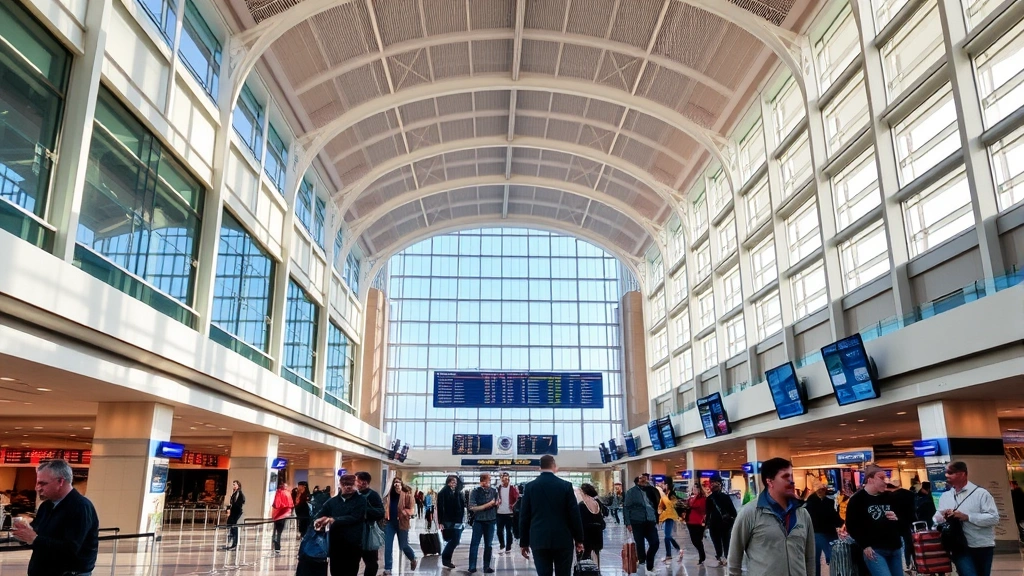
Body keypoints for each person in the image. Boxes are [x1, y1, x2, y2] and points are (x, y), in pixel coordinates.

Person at [727, 457, 815, 576]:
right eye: (785, 477)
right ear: (770, 481)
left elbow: (809, 558)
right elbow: (734, 562)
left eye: (791, 476)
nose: (792, 481)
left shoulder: (802, 513)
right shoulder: (750, 513)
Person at [11, 459, 99, 576]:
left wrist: (34, 538)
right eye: (37, 483)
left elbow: (70, 549)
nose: (38, 488)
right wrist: (24, 536)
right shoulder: (46, 506)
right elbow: (37, 535)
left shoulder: (80, 507)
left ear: (60, 482)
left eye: (43, 483)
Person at [519, 455, 584, 576]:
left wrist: (524, 543)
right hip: (563, 539)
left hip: (539, 539)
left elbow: (524, 517)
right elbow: (574, 515)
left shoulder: (530, 487)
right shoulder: (566, 486)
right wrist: (579, 540)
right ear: (553, 466)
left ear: (540, 467)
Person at [933, 461, 1000, 576]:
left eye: (950, 472)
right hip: (959, 546)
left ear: (962, 474)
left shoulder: (981, 494)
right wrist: (943, 517)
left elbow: (994, 518)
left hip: (982, 545)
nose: (946, 475)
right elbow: (936, 518)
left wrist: (967, 517)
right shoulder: (946, 496)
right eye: (946, 472)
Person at [845, 465, 904, 576]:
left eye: (885, 478)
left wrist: (897, 518)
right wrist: (865, 545)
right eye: (881, 478)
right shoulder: (857, 500)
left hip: (894, 547)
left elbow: (903, 521)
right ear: (870, 480)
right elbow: (852, 526)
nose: (885, 482)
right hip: (875, 550)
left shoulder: (890, 497)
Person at [314, 474, 369, 576]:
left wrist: (334, 519)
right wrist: (319, 520)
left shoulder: (361, 500)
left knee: (350, 571)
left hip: (353, 544)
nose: (348, 487)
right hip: (336, 544)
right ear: (340, 485)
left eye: (350, 484)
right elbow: (320, 513)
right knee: (335, 571)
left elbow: (355, 517)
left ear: (356, 484)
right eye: (345, 484)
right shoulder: (332, 501)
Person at [804, 482, 843, 576]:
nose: (822, 491)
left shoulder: (811, 502)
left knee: (816, 559)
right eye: (821, 489)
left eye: (823, 489)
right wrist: (840, 522)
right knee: (833, 557)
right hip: (822, 532)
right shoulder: (818, 502)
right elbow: (832, 516)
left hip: (817, 532)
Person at [623, 475, 660, 572]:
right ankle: (643, 564)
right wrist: (628, 523)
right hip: (637, 521)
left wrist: (656, 518)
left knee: (655, 542)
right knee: (640, 544)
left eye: (646, 480)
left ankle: (649, 562)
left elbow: (655, 505)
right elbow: (626, 507)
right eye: (641, 479)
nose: (644, 481)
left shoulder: (651, 491)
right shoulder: (631, 492)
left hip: (650, 520)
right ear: (637, 481)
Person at [382, 477, 417, 575]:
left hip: (402, 523)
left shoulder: (407, 494)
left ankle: (412, 558)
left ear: (402, 484)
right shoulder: (389, 495)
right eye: (395, 483)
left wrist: (405, 512)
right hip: (390, 523)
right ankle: (388, 568)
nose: (396, 484)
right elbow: (384, 506)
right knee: (388, 547)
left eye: (398, 482)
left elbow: (412, 509)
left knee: (403, 546)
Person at [467, 472, 499, 573]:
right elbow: (472, 507)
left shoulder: (494, 491)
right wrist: (488, 504)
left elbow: (497, 504)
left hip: (491, 520)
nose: (489, 481)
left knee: (488, 545)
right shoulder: (475, 491)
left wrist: (496, 504)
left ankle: (486, 566)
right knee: (475, 544)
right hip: (479, 521)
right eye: (488, 479)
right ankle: (472, 566)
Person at [356, 472, 386, 576]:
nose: (355, 483)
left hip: (368, 534)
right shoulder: (353, 495)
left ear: (364, 482)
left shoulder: (373, 495)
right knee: (352, 563)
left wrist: (365, 510)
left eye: (357, 481)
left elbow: (380, 513)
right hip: (353, 534)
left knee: (371, 562)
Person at [884, 477, 917, 570]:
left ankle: (904, 564)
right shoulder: (909, 494)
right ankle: (911, 563)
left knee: (897, 545)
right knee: (909, 543)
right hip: (907, 523)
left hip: (893, 523)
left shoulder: (887, 496)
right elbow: (913, 510)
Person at [707, 474, 737, 566]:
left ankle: (725, 558)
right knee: (719, 543)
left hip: (724, 525)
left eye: (715, 482)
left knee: (725, 543)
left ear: (719, 484)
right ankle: (721, 558)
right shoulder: (709, 499)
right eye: (711, 482)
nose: (713, 485)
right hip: (715, 525)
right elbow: (707, 513)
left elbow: (733, 512)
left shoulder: (725, 497)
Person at [437, 474, 466, 570]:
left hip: (457, 519)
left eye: (455, 482)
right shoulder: (443, 492)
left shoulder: (457, 492)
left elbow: (462, 505)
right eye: (453, 482)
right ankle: (446, 559)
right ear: (449, 482)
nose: (455, 484)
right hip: (448, 519)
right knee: (453, 540)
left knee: (455, 539)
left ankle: (446, 559)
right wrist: (440, 521)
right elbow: (440, 507)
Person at [578, 483, 606, 566]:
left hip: (587, 534)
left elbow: (580, 521)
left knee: (585, 556)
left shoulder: (582, 505)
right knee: (596, 554)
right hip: (597, 533)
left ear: (584, 493)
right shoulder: (597, 503)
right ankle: (597, 570)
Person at [494, 472, 520, 555]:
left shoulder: (512, 488)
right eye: (503, 479)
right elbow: (495, 498)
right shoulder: (498, 488)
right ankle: (502, 545)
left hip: (509, 512)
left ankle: (508, 547)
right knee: (499, 530)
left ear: (509, 479)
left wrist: (513, 505)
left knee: (509, 530)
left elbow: (517, 498)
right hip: (499, 512)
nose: (505, 480)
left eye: (506, 479)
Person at [657, 483, 683, 564]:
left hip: (670, 517)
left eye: (664, 484)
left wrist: (662, 494)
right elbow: (661, 506)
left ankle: (669, 555)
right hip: (666, 517)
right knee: (668, 536)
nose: (662, 485)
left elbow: (670, 505)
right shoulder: (665, 494)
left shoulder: (671, 495)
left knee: (667, 537)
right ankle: (679, 550)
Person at [684, 483, 708, 565]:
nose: (694, 490)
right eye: (693, 488)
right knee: (695, 540)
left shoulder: (702, 498)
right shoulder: (691, 498)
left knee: (697, 540)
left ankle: (702, 556)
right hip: (690, 521)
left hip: (697, 521)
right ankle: (702, 555)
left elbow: (701, 508)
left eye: (695, 488)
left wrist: (690, 503)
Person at [271, 481, 294, 554]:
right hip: (285, 514)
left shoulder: (279, 492)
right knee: (280, 531)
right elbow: (291, 504)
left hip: (278, 514)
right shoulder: (288, 493)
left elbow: (276, 504)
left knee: (276, 529)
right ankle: (277, 545)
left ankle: (275, 544)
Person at [223, 480, 245, 550]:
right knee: (231, 527)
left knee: (234, 528)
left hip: (235, 513)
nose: (233, 486)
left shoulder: (239, 493)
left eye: (234, 484)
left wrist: (232, 508)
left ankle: (234, 544)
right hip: (233, 513)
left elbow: (239, 503)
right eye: (233, 484)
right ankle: (231, 543)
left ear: (238, 485)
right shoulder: (234, 493)